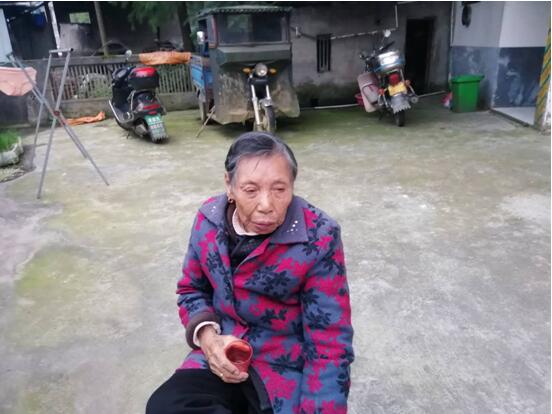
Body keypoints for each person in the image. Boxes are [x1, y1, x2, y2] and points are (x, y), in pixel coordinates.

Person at [147, 132, 354, 414]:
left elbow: (329, 341)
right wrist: (208, 339)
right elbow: (192, 289)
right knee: (166, 406)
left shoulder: (319, 236)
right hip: (222, 354)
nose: (266, 205)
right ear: (229, 186)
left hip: (284, 368)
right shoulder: (208, 220)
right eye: (251, 190)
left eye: (279, 189)